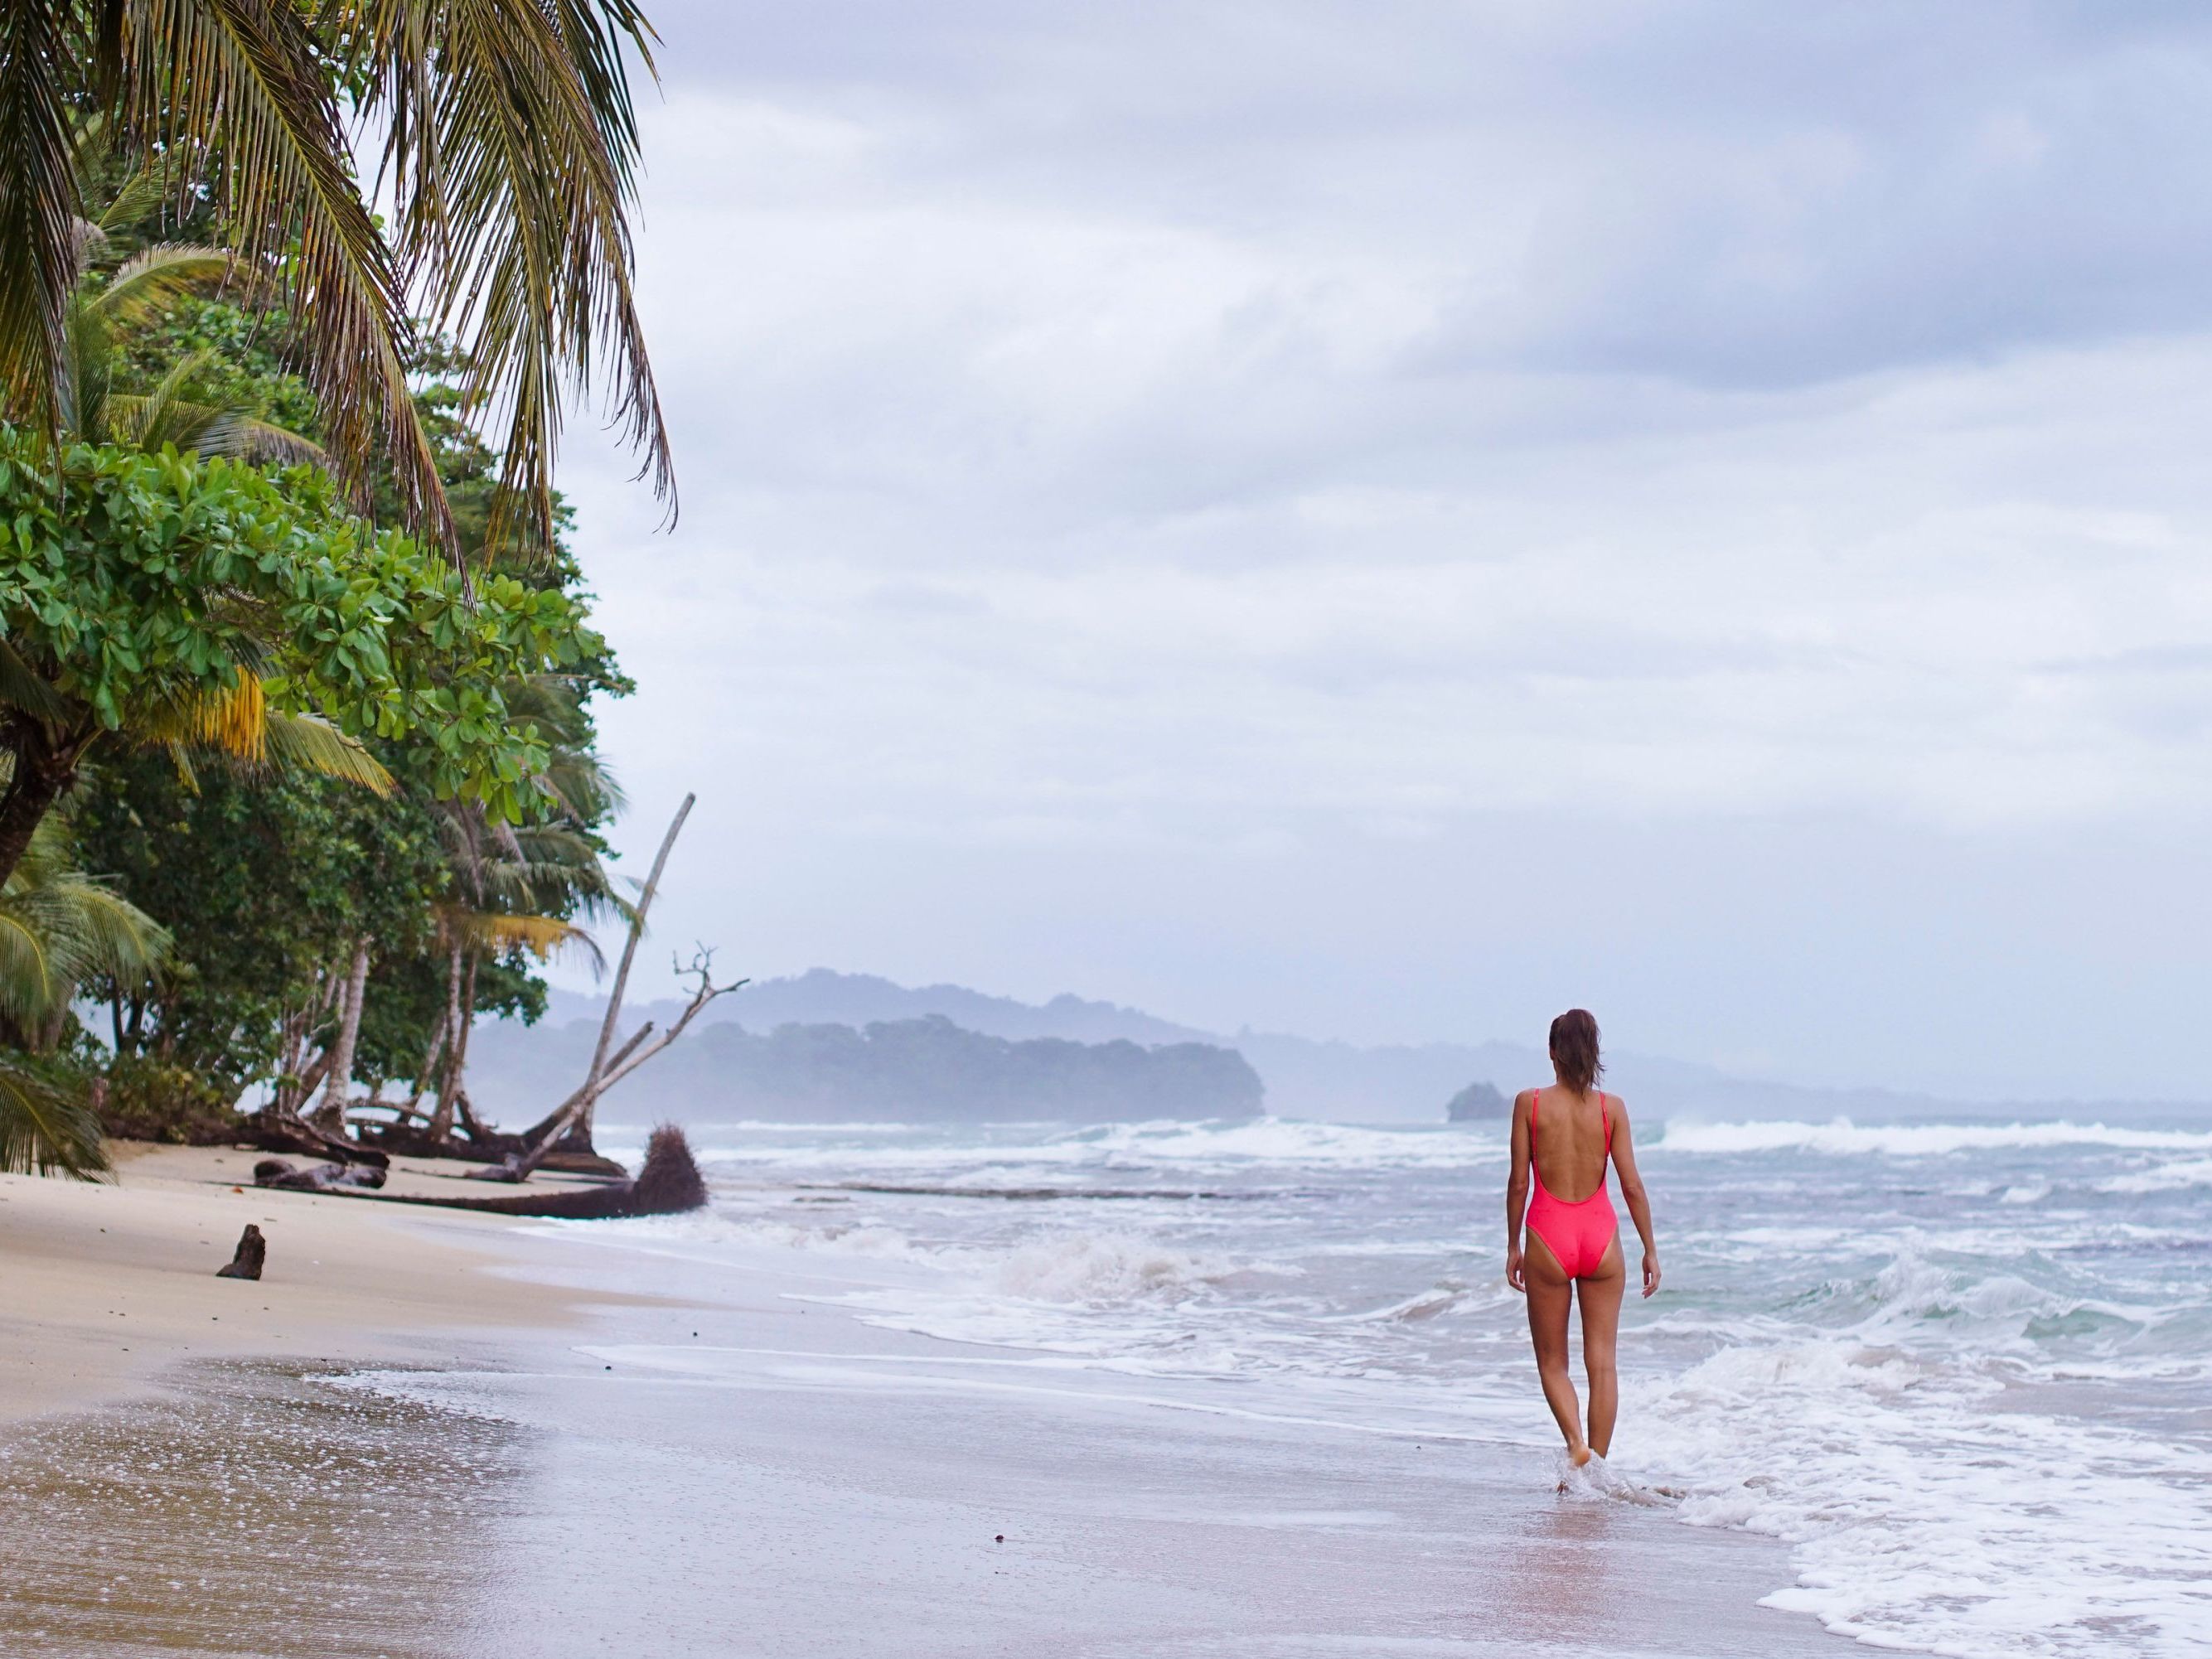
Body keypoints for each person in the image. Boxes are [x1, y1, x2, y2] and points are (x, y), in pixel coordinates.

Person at [1505, 1008, 1659, 1468]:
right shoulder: (1612, 1108)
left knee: (1554, 1364)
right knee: (1603, 1363)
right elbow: (1631, 1184)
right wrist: (1650, 1248)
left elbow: (1518, 1183)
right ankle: (1599, 1469)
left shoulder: (1528, 1104)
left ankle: (1576, 1445)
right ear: (1595, 1053)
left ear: (1551, 1053)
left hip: (1548, 1236)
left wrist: (1513, 1244)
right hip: (1602, 1240)